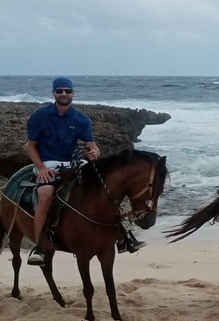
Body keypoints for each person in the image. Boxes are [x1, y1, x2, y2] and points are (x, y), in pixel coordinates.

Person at [26, 77, 144, 265]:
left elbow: (93, 146)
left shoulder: (81, 119)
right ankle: (39, 245)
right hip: (48, 163)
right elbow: (31, 146)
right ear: (53, 93)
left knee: (103, 190)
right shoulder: (40, 116)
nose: (64, 94)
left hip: (74, 162)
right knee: (45, 194)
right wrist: (40, 168)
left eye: (67, 91)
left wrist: (94, 153)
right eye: (60, 91)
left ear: (73, 93)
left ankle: (123, 237)